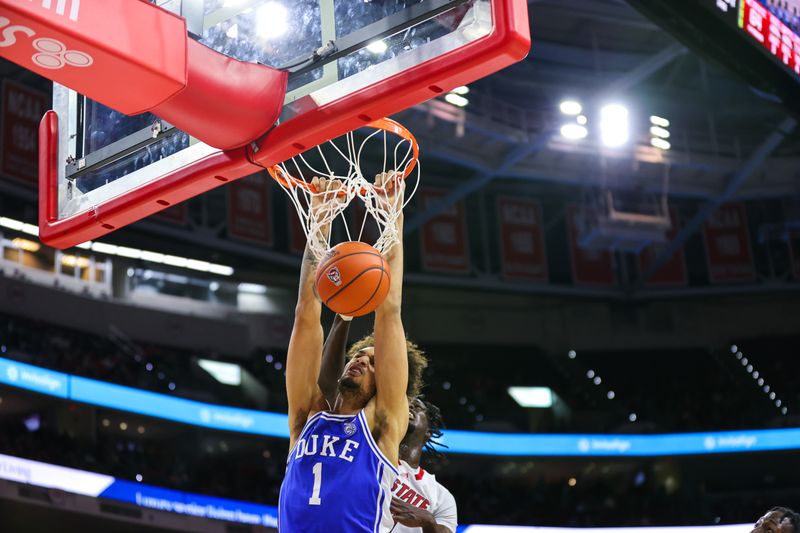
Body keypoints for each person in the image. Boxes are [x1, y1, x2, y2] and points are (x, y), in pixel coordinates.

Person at [278, 173, 424, 532]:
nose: (361, 359)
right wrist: (320, 224)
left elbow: (389, 310)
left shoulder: (381, 424)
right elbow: (305, 316)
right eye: (360, 355)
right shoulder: (305, 417)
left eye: (374, 362)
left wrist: (393, 218)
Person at [319, 314, 457, 533]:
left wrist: (428, 522)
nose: (410, 406)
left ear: (428, 431)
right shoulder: (367, 447)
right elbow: (330, 386)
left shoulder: (440, 496)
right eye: (408, 402)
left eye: (418, 407)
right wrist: (342, 317)